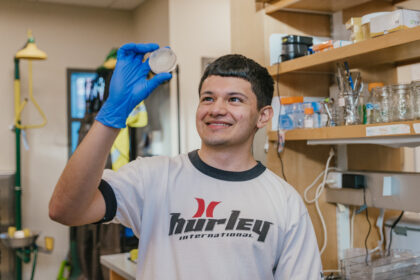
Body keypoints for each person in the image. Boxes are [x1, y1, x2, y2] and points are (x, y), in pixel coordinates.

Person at [49, 43, 323, 279]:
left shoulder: (284, 201)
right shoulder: (153, 176)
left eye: (234, 99)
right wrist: (112, 115)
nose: (216, 109)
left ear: (263, 116)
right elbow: (65, 209)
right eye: (208, 98)